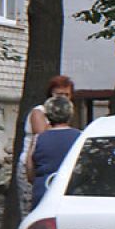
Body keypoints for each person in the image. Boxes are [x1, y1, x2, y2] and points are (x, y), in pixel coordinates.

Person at [23, 75, 74, 214]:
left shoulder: (66, 112)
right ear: (50, 94)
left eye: (66, 94)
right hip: (33, 163)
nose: (63, 98)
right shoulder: (39, 111)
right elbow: (46, 137)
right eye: (59, 94)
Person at [28, 97, 83, 210]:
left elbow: (29, 170)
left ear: (47, 115)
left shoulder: (38, 139)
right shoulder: (81, 137)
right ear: (70, 114)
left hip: (44, 190)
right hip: (73, 192)